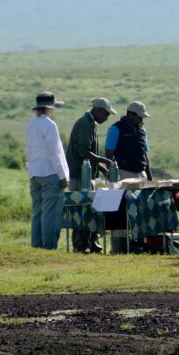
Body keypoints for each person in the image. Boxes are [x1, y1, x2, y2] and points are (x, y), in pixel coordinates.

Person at [66, 98, 117, 253]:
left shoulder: (91, 124)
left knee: (91, 210)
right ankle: (79, 245)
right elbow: (84, 152)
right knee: (80, 210)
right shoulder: (84, 124)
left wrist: (102, 169)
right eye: (106, 115)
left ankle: (90, 241)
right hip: (78, 175)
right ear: (99, 111)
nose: (106, 118)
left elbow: (90, 155)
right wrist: (105, 160)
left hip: (88, 175)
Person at [105, 101, 153, 253]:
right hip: (123, 174)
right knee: (121, 211)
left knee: (140, 211)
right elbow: (108, 153)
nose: (141, 120)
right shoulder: (115, 128)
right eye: (139, 117)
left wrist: (150, 179)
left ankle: (139, 244)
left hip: (141, 175)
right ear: (130, 114)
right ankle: (119, 247)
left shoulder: (142, 130)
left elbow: (145, 155)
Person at [26, 92, 70, 250]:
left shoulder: (31, 124)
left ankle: (36, 245)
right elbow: (55, 153)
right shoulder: (50, 125)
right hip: (50, 172)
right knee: (51, 213)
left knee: (38, 211)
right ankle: (49, 247)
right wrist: (62, 176)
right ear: (50, 108)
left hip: (34, 172)